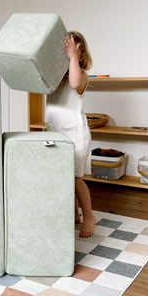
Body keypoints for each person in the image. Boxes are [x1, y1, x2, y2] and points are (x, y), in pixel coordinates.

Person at [45, 31, 96, 238]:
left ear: (81, 55)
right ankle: (74, 213)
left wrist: (72, 57)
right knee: (63, 176)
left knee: (75, 177)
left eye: (73, 51)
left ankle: (89, 215)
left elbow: (74, 84)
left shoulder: (81, 76)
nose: (67, 55)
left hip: (74, 134)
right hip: (56, 132)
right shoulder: (56, 78)